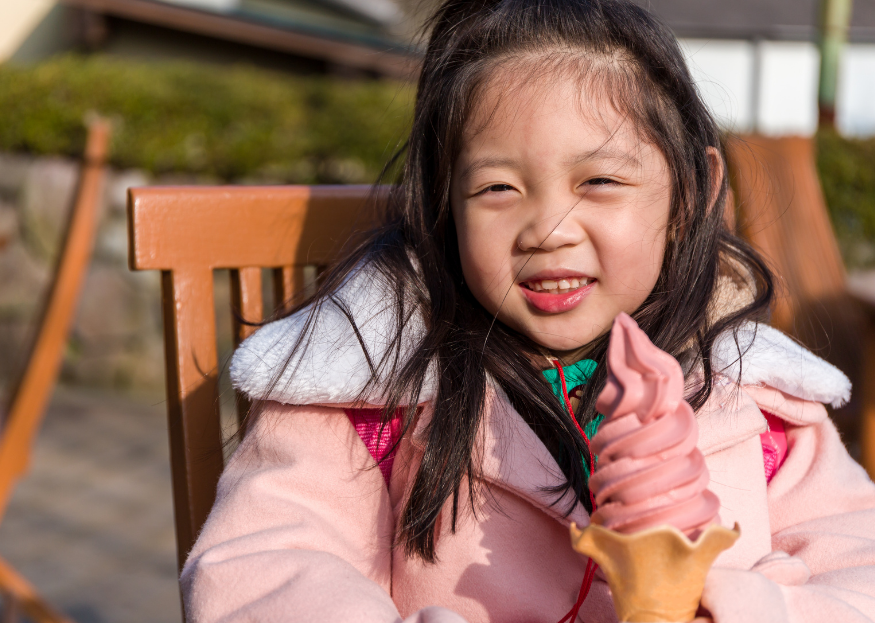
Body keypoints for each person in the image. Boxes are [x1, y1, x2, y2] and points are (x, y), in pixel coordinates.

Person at [182, 0, 875, 621]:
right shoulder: (366, 390)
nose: (548, 229)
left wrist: (753, 605)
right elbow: (257, 570)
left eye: (599, 180)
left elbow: (858, 565)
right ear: (444, 204)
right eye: (496, 187)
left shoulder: (757, 403)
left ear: (691, 193)